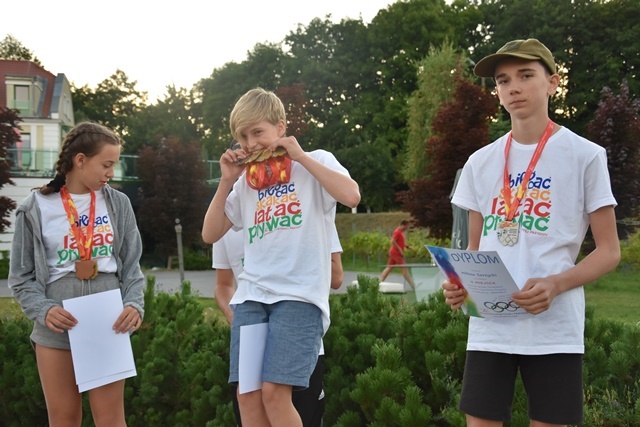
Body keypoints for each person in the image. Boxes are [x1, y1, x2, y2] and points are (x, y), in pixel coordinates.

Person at [443, 38, 620, 426]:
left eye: (526, 75)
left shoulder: (585, 155)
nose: (514, 88)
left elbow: (609, 251)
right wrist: (460, 283)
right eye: (503, 80)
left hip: (554, 327)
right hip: (490, 327)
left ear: (553, 83)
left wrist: (556, 284)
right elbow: (474, 249)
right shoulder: (479, 162)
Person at [201, 87, 360, 426]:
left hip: (298, 296)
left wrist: (300, 157)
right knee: (248, 394)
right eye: (243, 136)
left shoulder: (316, 160)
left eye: (257, 131)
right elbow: (210, 234)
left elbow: (352, 195)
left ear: (281, 127)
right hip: (251, 297)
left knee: (274, 392)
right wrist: (226, 182)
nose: (250, 143)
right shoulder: (246, 182)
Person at [8, 122, 145, 427]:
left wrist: (134, 304)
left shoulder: (118, 204)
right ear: (80, 160)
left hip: (108, 322)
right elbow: (20, 277)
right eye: (106, 165)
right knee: (64, 419)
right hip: (56, 325)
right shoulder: (34, 207)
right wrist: (44, 310)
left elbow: (132, 267)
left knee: (111, 420)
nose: (111, 173)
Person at [213, 222, 343, 427]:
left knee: (291, 408)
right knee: (249, 402)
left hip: (299, 340)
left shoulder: (309, 208)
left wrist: (291, 253)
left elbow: (336, 277)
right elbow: (223, 285)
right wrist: (235, 318)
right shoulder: (227, 217)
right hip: (251, 334)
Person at [380, 219, 415, 288]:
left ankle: (379, 283)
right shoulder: (397, 232)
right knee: (404, 268)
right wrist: (399, 249)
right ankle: (413, 286)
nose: (407, 228)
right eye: (406, 226)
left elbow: (401, 242)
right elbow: (392, 241)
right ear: (402, 225)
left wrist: (408, 247)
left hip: (394, 253)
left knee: (389, 267)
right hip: (396, 253)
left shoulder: (401, 232)